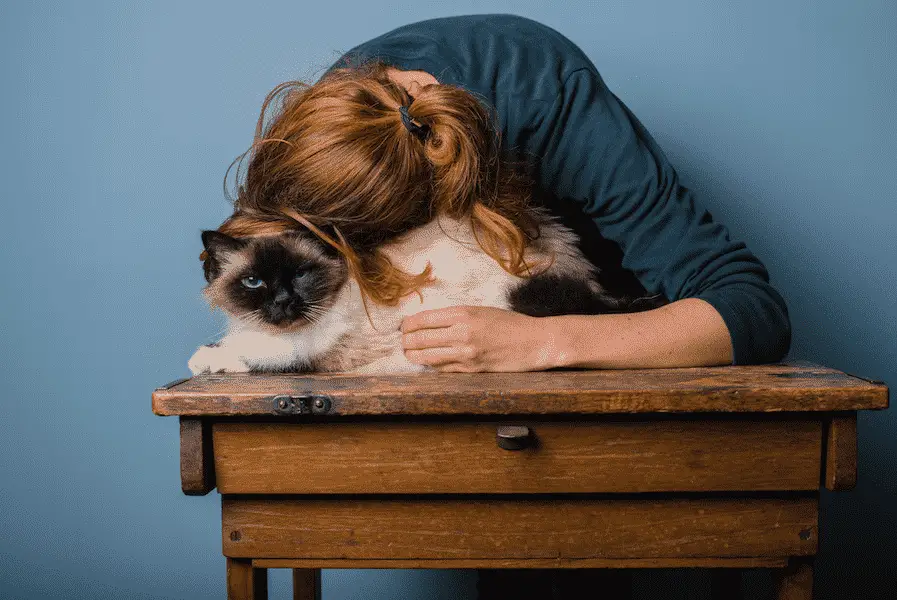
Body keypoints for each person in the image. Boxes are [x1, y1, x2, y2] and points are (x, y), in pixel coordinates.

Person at [225, 13, 792, 597]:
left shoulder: (548, 95)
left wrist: (542, 343)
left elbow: (753, 312)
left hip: (584, 328)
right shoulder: (334, 125)